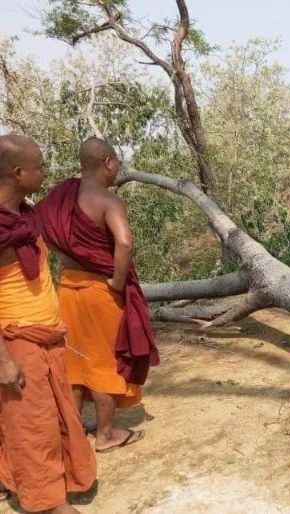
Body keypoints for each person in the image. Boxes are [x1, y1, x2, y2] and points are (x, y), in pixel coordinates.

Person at [37, 137, 157, 453]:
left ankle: (73, 434)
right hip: (99, 291)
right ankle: (105, 435)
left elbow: (43, 229)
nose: (118, 168)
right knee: (104, 362)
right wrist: (117, 281)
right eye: (117, 161)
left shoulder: (58, 197)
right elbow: (125, 243)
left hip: (68, 289)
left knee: (75, 364)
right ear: (107, 162)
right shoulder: (107, 200)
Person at [0, 134, 96, 513]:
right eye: (39, 166)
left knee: (47, 417)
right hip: (16, 339)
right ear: (17, 172)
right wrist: (3, 359)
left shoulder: (24, 216)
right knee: (32, 424)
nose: (44, 172)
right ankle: (48, 503)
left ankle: (15, 479)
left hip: (46, 334)